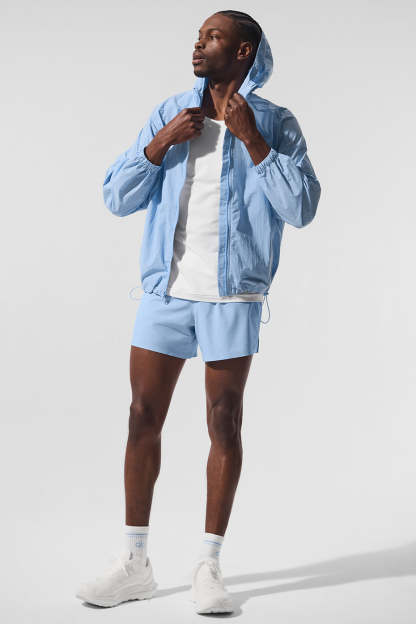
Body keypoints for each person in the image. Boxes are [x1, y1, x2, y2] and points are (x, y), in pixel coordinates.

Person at [75, 9, 321, 615]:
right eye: (198, 36)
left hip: (233, 296)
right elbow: (115, 197)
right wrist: (160, 143)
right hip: (166, 293)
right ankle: (135, 563)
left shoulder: (276, 123)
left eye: (212, 37)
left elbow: (302, 208)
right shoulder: (171, 113)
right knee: (141, 417)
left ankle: (209, 566)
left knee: (224, 421)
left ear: (243, 52)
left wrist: (253, 140)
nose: (198, 45)